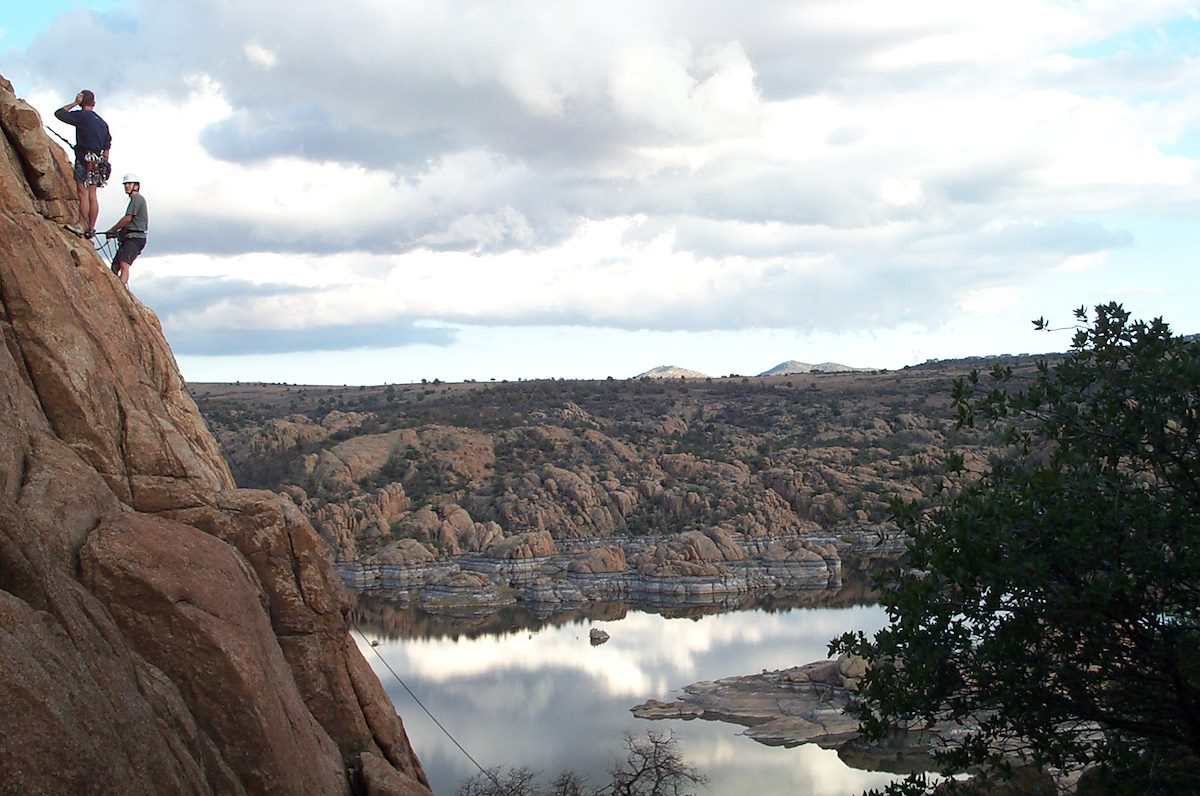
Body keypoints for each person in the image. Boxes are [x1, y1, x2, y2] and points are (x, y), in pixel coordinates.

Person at [54, 90, 112, 238]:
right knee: (93, 194)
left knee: (83, 193)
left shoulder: (82, 116)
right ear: (94, 103)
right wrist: (104, 163)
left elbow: (59, 113)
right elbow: (107, 146)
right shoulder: (102, 123)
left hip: (84, 158)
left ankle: (81, 225)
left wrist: (74, 103)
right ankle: (91, 228)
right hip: (98, 161)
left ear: (82, 102)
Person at [104, 174, 148, 286]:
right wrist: (117, 233)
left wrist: (113, 230)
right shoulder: (135, 200)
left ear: (136, 186)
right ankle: (116, 287)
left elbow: (128, 219)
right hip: (131, 237)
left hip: (135, 238)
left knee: (124, 265)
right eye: (126, 184)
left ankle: (120, 288)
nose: (127, 186)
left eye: (129, 184)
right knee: (115, 265)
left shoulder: (137, 199)